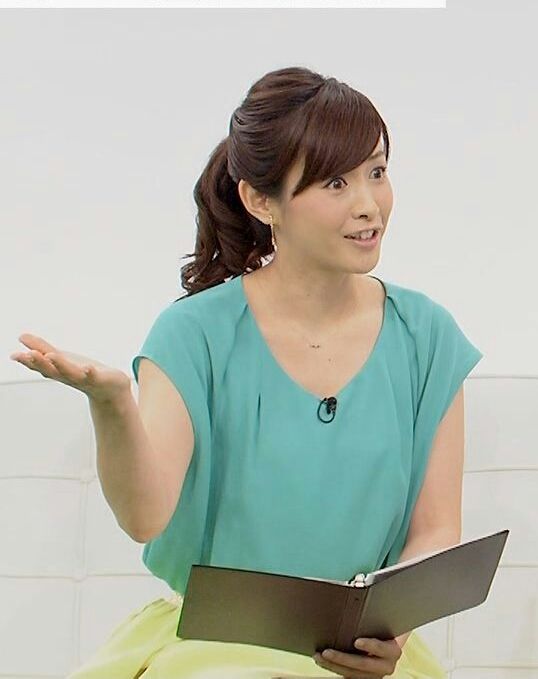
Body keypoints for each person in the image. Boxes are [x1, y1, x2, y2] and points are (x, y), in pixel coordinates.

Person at [11, 66, 483, 678]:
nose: (369, 205)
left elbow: (437, 530)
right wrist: (112, 403)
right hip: (214, 647)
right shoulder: (193, 334)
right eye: (335, 183)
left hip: (363, 654)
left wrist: (386, 632)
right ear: (262, 201)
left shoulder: (427, 336)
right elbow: (145, 517)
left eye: (377, 171)